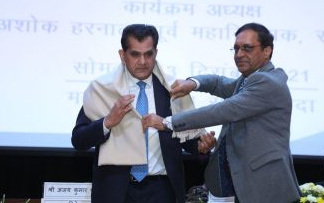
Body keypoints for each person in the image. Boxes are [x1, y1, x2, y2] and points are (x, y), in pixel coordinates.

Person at [142, 22, 302, 203]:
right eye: (236, 49)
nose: (239, 54)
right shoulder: (249, 79)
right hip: (242, 186)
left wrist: (166, 122)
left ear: (267, 51)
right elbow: (218, 83)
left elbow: (223, 110)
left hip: (265, 187)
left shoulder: (266, 82)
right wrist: (193, 83)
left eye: (247, 48)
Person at [71, 24, 215, 203]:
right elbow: (79, 140)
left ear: (156, 53)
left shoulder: (171, 89)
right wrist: (107, 122)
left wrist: (202, 147)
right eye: (135, 54)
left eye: (148, 54)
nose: (143, 61)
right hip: (115, 190)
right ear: (122, 55)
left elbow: (188, 139)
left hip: (162, 189)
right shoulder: (104, 89)